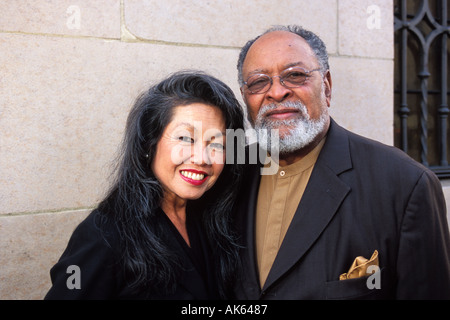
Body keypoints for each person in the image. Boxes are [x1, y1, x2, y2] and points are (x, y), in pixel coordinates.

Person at [232, 25, 450, 299]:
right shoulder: (229, 173)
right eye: (259, 81)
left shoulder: (405, 185)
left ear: (326, 86)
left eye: (295, 75)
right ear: (245, 96)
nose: (276, 92)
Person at [45, 70, 245, 299]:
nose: (202, 158)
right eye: (185, 138)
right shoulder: (104, 233)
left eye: (217, 144)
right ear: (149, 144)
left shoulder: (212, 219)